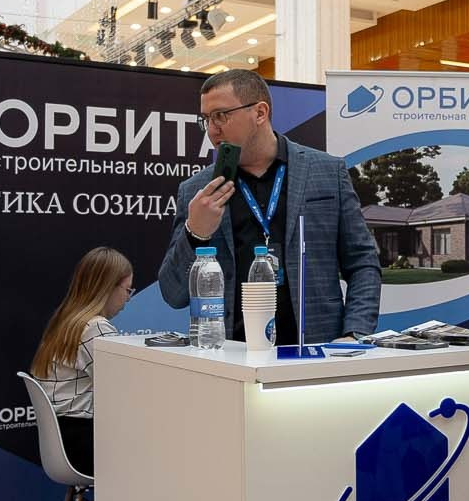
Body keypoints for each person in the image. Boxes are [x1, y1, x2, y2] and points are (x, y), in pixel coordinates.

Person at [159, 70, 381, 345]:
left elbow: (363, 262)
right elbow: (173, 294)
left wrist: (354, 333)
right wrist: (195, 234)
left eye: (221, 115)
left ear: (260, 113)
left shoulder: (326, 171)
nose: (212, 130)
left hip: (317, 352)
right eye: (206, 119)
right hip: (234, 358)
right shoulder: (198, 191)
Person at [32, 247, 133, 471]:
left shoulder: (65, 320)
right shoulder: (95, 327)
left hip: (65, 441)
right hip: (84, 444)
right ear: (108, 288)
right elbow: (123, 391)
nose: (128, 299)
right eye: (127, 290)